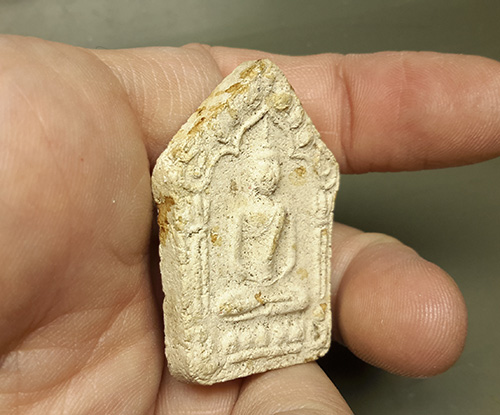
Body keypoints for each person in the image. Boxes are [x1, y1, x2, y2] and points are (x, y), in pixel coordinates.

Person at [1, 34, 497, 414]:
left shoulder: (280, 210)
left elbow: (287, 258)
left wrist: (274, 283)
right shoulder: (241, 213)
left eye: (271, 175)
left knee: (297, 298)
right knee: (230, 303)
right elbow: (235, 260)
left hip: (276, 292)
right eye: (259, 175)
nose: (266, 181)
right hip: (239, 294)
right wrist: (247, 287)